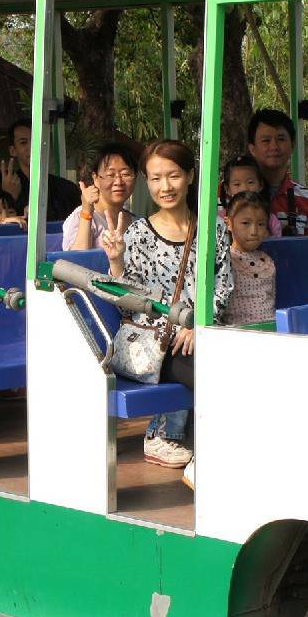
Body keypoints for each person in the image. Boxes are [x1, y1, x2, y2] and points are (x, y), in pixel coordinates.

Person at [101, 139, 232, 471]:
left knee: (233, 365)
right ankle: (209, 464)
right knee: (215, 374)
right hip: (160, 340)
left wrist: (199, 322)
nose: (165, 186)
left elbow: (223, 285)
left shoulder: (213, 230)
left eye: (172, 176)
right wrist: (116, 263)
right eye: (156, 178)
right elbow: (127, 305)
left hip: (204, 332)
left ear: (189, 176)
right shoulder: (137, 235)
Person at [246, 108, 308, 236]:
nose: (274, 147)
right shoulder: (228, 193)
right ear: (252, 149)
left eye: (281, 139)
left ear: (293, 145)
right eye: (266, 141)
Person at [0, 118, 79, 225]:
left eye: (36, 141)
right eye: (23, 142)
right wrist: (9, 196)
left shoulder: (67, 188)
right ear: (13, 150)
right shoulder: (6, 188)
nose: (31, 147)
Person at [62, 141, 138, 252]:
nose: (118, 181)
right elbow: (75, 262)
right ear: (96, 178)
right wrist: (87, 212)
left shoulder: (137, 223)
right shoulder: (79, 217)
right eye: (110, 175)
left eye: (125, 174)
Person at [222, 192, 277, 326]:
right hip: (239, 335)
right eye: (246, 223)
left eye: (260, 224)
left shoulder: (267, 261)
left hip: (271, 332)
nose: (254, 231)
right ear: (228, 223)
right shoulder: (225, 259)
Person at [219, 155, 281, 236]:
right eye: (237, 184)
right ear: (227, 189)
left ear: (260, 185)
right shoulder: (220, 219)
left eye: (250, 182)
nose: (244, 188)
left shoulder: (271, 220)